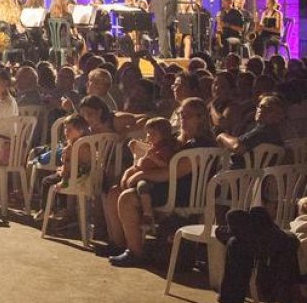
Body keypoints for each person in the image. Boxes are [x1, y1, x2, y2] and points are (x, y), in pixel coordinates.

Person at [102, 97, 214, 267]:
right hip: (165, 186)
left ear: (201, 118)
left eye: (188, 116)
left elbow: (172, 173)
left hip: (183, 191)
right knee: (114, 192)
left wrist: (140, 175)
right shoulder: (176, 139)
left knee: (127, 198)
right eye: (181, 114)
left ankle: (135, 252)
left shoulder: (202, 145)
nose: (183, 119)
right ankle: (119, 244)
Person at [121, 117, 178, 229]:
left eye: (153, 134)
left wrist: (154, 159)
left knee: (142, 187)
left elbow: (167, 166)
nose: (149, 137)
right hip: (144, 173)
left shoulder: (165, 149)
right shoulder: (153, 147)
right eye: (148, 133)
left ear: (164, 135)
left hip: (153, 178)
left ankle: (148, 214)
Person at [216, 93, 286, 168]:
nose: (261, 109)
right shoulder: (275, 133)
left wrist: (222, 136)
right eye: (260, 106)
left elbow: (237, 147)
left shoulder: (264, 131)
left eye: (269, 109)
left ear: (280, 116)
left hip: (241, 175)